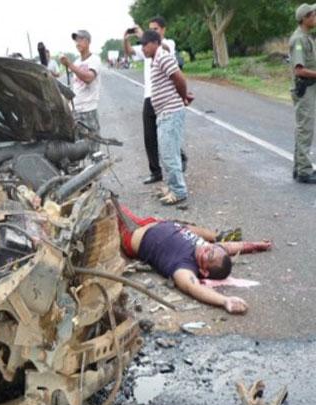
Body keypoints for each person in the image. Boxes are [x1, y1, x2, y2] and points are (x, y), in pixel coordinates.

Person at [115, 202, 272, 315]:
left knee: (107, 206)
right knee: (115, 201)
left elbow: (194, 288)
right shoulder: (212, 251)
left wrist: (225, 301)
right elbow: (231, 247)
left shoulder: (184, 267)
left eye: (209, 254)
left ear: (203, 270)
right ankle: (218, 235)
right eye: (213, 247)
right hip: (150, 223)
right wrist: (257, 245)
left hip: (132, 235)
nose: (208, 247)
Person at [124, 17, 188, 185]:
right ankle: (155, 172)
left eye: (156, 29)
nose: (153, 31)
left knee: (167, 136)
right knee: (150, 137)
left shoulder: (167, 44)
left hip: (167, 98)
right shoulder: (146, 48)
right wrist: (126, 39)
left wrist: (145, 35)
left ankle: (178, 163)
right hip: (150, 96)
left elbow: (165, 51)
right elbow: (130, 52)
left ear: (163, 30)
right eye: (150, 28)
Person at [140, 30, 193, 205]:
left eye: (145, 45)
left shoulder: (163, 57)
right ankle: (172, 186)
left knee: (169, 154)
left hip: (170, 112)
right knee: (167, 152)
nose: (143, 49)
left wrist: (183, 97)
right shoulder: (155, 60)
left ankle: (178, 191)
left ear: (155, 42)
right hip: (163, 113)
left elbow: (179, 79)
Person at [59, 30, 102, 150]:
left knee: (93, 149)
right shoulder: (77, 62)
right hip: (76, 111)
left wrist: (70, 65)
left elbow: (88, 78)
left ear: (88, 41)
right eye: (76, 40)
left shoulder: (94, 59)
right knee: (77, 150)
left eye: (80, 39)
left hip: (89, 110)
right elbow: (76, 88)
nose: (77, 43)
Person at [290, 4, 316, 183]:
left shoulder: (307, 37)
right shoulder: (299, 39)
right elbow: (299, 70)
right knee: (305, 128)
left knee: (303, 128)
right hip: (305, 88)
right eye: (313, 15)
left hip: (310, 87)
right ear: (305, 18)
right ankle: (304, 171)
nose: (315, 18)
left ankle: (299, 167)